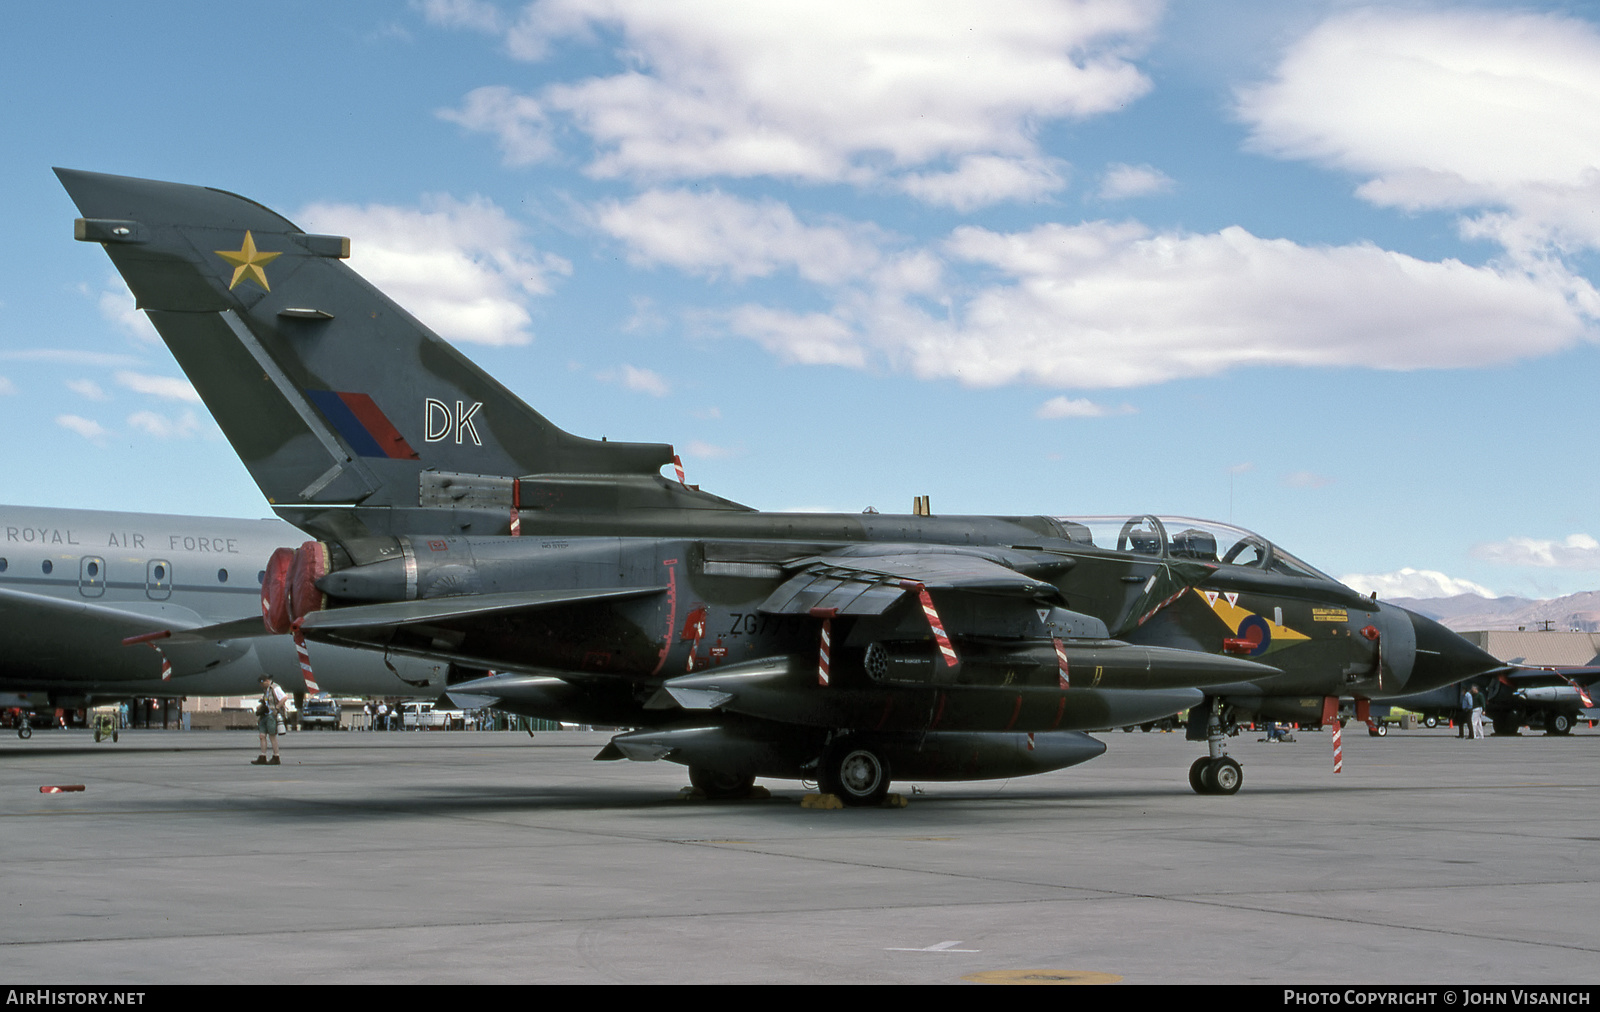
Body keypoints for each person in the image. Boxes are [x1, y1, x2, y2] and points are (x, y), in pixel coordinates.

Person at [253, 675, 288, 765]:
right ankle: (263, 756)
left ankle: (276, 756)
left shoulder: (275, 688)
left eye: (262, 683)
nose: (261, 685)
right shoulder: (266, 690)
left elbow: (284, 698)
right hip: (264, 715)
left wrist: (276, 708)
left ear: (267, 681)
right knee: (262, 736)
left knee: (272, 736)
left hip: (272, 715)